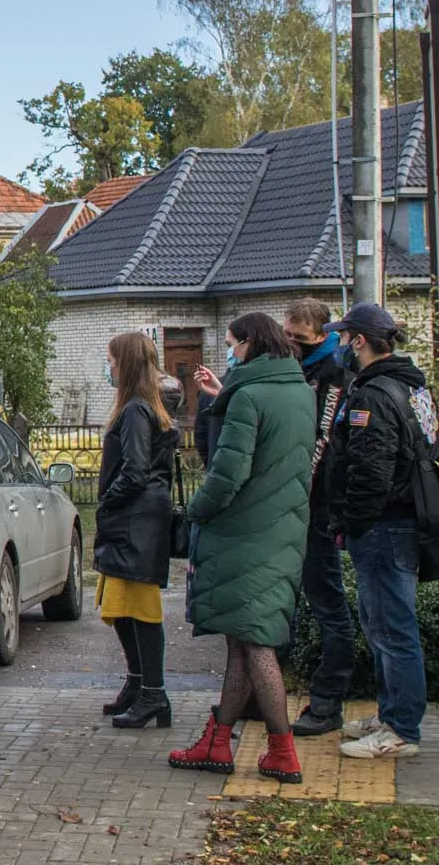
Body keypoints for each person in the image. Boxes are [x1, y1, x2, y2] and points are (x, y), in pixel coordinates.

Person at [171, 314, 316, 782]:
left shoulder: (249, 397)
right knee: (242, 641)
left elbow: (228, 474)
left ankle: (282, 751)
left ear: (251, 343)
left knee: (256, 645)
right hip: (281, 530)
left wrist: (194, 510)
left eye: (233, 345)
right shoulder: (299, 391)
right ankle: (218, 742)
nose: (230, 354)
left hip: (246, 535)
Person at [325, 303, 429, 761]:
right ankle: (391, 713)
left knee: (392, 627)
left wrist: (354, 522)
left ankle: (401, 728)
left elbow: (372, 468)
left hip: (385, 525)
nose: (341, 346)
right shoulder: (410, 386)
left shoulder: (374, 394)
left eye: (344, 338)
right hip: (399, 519)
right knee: (383, 622)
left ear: (360, 341)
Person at [93, 332, 179, 732]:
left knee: (140, 612)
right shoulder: (149, 407)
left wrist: (108, 500)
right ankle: (140, 684)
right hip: (140, 521)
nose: (108, 368)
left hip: (134, 522)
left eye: (111, 361)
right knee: (124, 609)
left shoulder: (135, 410)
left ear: (125, 364)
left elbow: (134, 469)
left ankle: (153, 692)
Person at [280, 299, 356, 737]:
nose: (292, 344)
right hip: (294, 506)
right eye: (287, 334)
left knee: (327, 602)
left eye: (300, 338)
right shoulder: (299, 368)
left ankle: (328, 700)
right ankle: (269, 689)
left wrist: (302, 496)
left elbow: (321, 443)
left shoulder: (332, 375)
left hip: (316, 509)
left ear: (322, 335)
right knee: (284, 603)